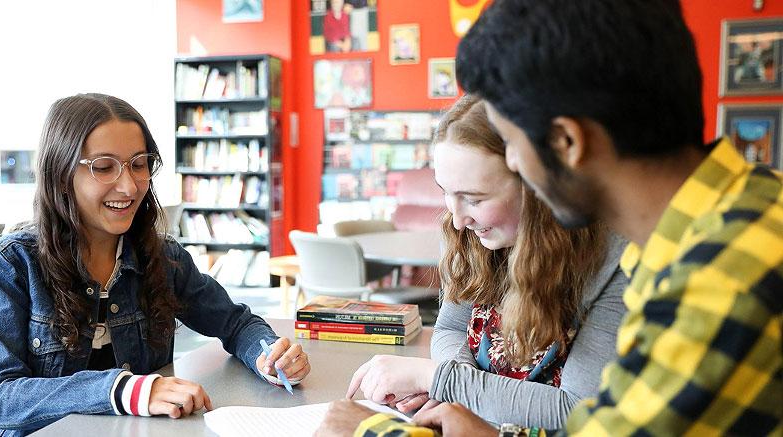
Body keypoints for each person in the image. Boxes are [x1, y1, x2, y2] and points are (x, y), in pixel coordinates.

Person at [322, 0, 783, 435]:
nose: (517, 167)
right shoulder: (735, 213)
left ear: (566, 142)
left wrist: (364, 428)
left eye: (512, 143)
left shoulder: (716, 282)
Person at [0, 94, 310, 436]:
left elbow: (235, 323)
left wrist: (269, 355)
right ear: (61, 174)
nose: (128, 186)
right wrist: (126, 390)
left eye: (139, 164)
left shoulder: (163, 258)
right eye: (104, 166)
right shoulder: (11, 263)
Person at [344, 94, 628, 430]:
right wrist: (455, 388)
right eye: (446, 192)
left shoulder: (614, 263)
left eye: (474, 199)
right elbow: (449, 328)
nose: (457, 218)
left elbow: (575, 412)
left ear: (536, 188)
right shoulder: (469, 233)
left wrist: (440, 379)